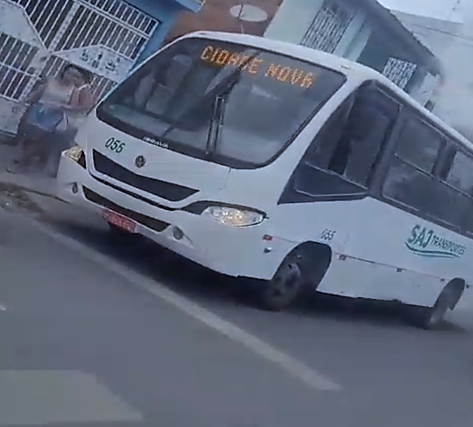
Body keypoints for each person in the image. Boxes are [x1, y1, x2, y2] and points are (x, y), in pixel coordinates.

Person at [7, 64, 90, 174]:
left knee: (38, 139)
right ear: (63, 72)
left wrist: (60, 106)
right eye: (69, 73)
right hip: (38, 110)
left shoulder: (74, 90)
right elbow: (38, 94)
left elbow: (73, 106)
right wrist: (26, 101)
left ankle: (22, 162)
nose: (70, 77)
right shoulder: (51, 82)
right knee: (28, 137)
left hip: (53, 116)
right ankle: (34, 158)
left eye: (75, 75)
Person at [46, 67, 95, 177]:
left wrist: (65, 107)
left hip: (76, 122)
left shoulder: (84, 90)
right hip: (70, 120)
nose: (72, 78)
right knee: (60, 145)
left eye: (76, 76)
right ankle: (55, 168)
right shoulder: (76, 89)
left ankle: (62, 170)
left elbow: (85, 106)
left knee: (66, 146)